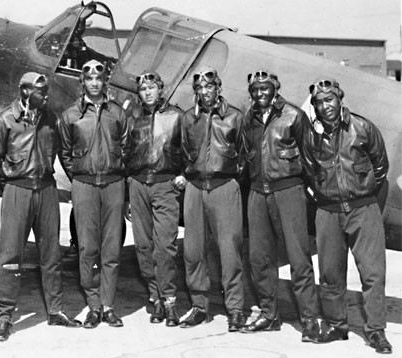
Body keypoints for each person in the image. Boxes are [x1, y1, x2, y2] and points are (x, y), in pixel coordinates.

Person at [302, 78, 392, 354]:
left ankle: (376, 331)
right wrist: (326, 196)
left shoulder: (362, 127)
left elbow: (380, 166)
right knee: (330, 273)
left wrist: (360, 193)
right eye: (319, 101)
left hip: (363, 209)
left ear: (340, 99)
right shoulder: (311, 135)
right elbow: (307, 170)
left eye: (329, 99)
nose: (325, 105)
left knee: (372, 274)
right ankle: (337, 325)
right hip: (327, 211)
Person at [0, 72, 82, 341]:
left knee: (51, 253)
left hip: (45, 189)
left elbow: (54, 152)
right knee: (9, 256)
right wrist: (12, 181)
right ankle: (5, 316)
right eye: (41, 91)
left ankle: (56, 310)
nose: (46, 95)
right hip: (17, 190)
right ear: (25, 92)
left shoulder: (50, 118)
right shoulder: (4, 121)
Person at [240, 70, 320, 342]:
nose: (260, 93)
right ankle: (268, 313)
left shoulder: (294, 116)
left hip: (287, 190)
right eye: (256, 89)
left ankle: (309, 320)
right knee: (259, 258)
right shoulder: (247, 118)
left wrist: (308, 191)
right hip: (257, 193)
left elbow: (309, 158)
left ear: (275, 89)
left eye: (266, 88)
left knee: (298, 257)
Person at [58, 59, 130, 329]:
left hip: (113, 184)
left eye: (99, 79)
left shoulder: (117, 114)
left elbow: (127, 148)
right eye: (89, 79)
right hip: (84, 185)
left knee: (111, 250)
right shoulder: (70, 116)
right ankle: (92, 306)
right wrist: (79, 176)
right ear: (83, 83)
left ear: (104, 82)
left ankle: (109, 306)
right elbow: (64, 153)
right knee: (87, 249)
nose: (94, 83)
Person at [179, 68, 246, 331]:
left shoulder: (234, 117)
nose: (205, 92)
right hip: (195, 188)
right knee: (193, 251)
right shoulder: (188, 119)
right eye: (200, 88)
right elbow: (184, 152)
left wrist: (228, 180)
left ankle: (236, 310)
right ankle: (199, 307)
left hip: (224, 187)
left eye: (209, 86)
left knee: (230, 252)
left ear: (218, 87)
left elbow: (244, 156)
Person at [125, 71, 185, 327]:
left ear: (161, 90)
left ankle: (170, 300)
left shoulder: (177, 116)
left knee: (165, 247)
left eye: (152, 88)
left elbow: (190, 149)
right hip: (138, 185)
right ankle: (155, 299)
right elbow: (125, 153)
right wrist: (128, 191)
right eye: (143, 89)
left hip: (164, 185)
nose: (148, 92)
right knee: (143, 247)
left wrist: (184, 174)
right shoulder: (132, 118)